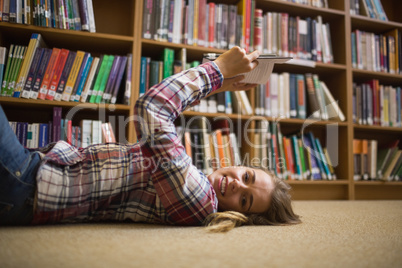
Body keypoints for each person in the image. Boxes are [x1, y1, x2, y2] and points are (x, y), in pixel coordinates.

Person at [0, 47, 300, 231]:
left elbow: (153, 109)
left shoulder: (199, 201)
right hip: (33, 175)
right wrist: (215, 87)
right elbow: (162, 125)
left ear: (238, 216)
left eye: (244, 199)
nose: (237, 183)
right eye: (247, 175)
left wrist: (218, 71)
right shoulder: (194, 181)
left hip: (25, 184)